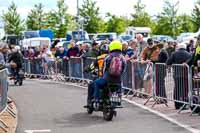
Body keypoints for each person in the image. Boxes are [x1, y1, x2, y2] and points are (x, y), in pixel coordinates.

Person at [166, 43, 192, 110]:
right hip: (185, 74)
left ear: (179, 47)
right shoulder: (189, 54)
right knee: (185, 90)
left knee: (177, 89)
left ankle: (177, 105)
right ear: (185, 47)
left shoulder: (174, 53)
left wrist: (174, 64)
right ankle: (184, 104)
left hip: (177, 74)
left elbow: (168, 62)